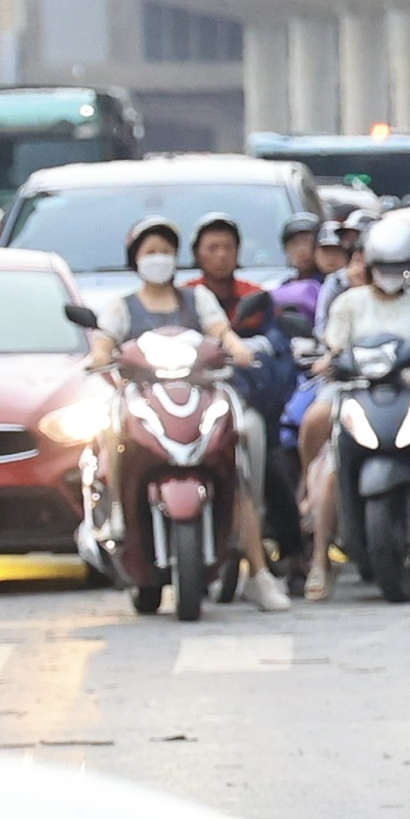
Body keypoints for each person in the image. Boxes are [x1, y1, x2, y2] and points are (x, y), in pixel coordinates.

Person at [91, 218, 289, 614]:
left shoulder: (196, 300)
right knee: (110, 434)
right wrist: (99, 357)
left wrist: (238, 348)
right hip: (145, 406)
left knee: (236, 465)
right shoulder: (121, 306)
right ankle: (115, 513)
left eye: (165, 251)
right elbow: (103, 342)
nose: (158, 259)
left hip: (199, 402)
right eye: (150, 252)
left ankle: (258, 572)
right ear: (136, 259)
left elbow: (221, 332)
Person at [300, 218, 410, 601]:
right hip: (354, 392)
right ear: (368, 265)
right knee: (325, 446)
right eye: (384, 268)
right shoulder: (348, 303)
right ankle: (319, 558)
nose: (391, 276)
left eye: (399, 268)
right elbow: (332, 350)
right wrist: (326, 361)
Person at [190, 212, 262, 318]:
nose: (222, 255)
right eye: (213, 248)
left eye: (228, 247)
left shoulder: (255, 296)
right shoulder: (184, 298)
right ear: (196, 254)